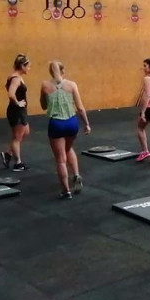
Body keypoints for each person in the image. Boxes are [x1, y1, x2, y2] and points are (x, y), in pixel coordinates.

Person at [40, 61, 91, 199]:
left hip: (56, 124)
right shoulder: (72, 85)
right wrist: (86, 124)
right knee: (68, 149)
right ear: (63, 71)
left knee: (61, 160)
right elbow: (80, 108)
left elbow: (43, 106)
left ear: (50, 72)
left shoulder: (45, 85)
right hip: (71, 123)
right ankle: (76, 175)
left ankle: (66, 191)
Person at [1, 54, 32, 172]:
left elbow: (7, 87)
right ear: (22, 66)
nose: (29, 68)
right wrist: (18, 103)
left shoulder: (15, 77)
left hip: (20, 111)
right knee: (17, 137)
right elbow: (11, 94)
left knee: (25, 132)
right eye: (28, 66)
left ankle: (8, 154)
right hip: (16, 111)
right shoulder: (16, 79)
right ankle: (18, 164)